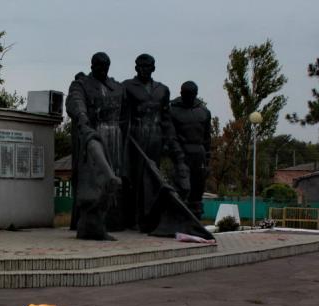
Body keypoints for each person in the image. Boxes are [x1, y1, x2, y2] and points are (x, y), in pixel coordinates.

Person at [122, 55, 213, 240]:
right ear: (136, 67)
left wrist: (167, 141)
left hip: (156, 137)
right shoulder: (127, 86)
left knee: (153, 179)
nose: (144, 69)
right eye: (141, 66)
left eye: (148, 66)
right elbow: (122, 113)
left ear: (154, 68)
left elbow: (166, 119)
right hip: (136, 135)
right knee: (134, 178)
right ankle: (131, 218)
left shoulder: (162, 90)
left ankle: (149, 218)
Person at [66, 52, 124, 240]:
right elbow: (76, 102)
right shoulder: (81, 84)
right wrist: (82, 119)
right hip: (93, 135)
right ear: (92, 65)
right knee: (93, 180)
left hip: (114, 136)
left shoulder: (116, 86)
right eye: (98, 65)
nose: (102, 69)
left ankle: (108, 221)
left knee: (111, 178)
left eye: (105, 65)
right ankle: (89, 224)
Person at [170, 81, 212, 220]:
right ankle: (179, 218)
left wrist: (207, 160)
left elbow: (207, 137)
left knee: (198, 188)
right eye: (185, 94)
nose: (188, 97)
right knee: (182, 187)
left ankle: (196, 219)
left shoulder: (204, 112)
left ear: (196, 94)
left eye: (191, 94)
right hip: (182, 153)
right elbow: (172, 136)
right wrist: (178, 156)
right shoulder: (173, 110)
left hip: (199, 153)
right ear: (181, 93)